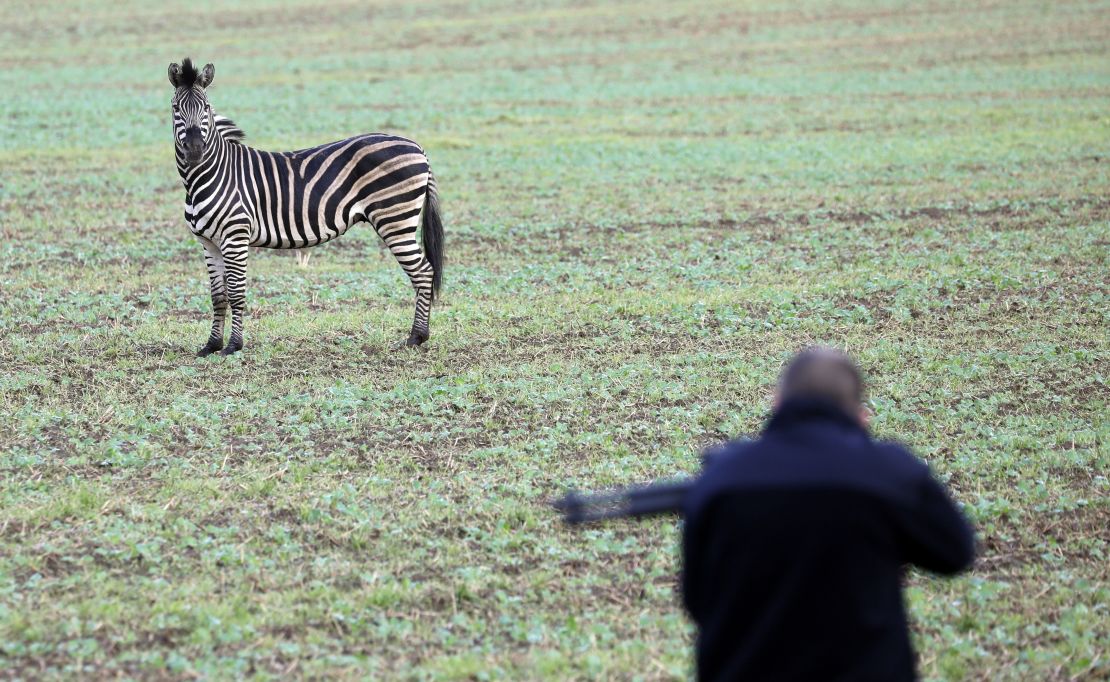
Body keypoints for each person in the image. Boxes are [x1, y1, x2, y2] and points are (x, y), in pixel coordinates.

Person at [681, 347, 975, 681]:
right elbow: (955, 553)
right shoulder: (890, 472)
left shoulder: (722, 476)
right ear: (861, 415)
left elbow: (696, 598)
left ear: (777, 403)